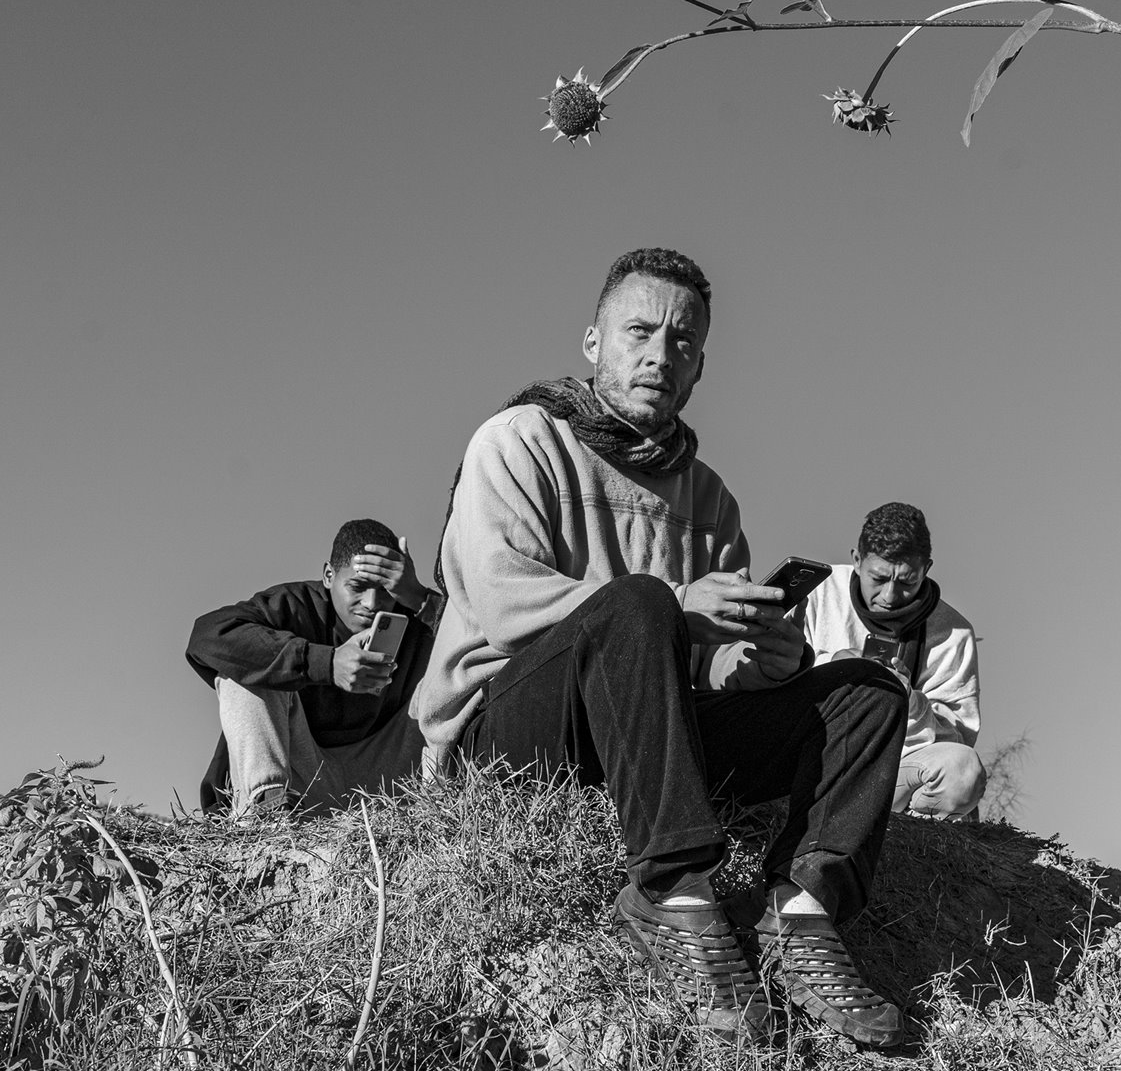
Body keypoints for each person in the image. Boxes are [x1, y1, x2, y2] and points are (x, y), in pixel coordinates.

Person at [414, 248, 907, 1048]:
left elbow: (698, 666)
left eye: (683, 342)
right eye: (639, 330)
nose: (659, 354)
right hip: (513, 730)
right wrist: (677, 605)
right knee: (638, 601)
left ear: (701, 366)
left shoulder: (709, 496)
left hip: (648, 734)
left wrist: (753, 664)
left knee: (866, 690)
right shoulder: (517, 440)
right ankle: (675, 897)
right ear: (593, 341)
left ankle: (801, 912)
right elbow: (502, 602)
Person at [186, 519, 441, 816]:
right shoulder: (295, 606)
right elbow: (207, 634)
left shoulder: (413, 615)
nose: (372, 603)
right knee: (245, 666)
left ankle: (445, 807)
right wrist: (326, 663)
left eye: (385, 590)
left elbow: (486, 639)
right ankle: (268, 814)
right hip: (302, 783)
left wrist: (419, 598)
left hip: (389, 785)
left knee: (456, 671)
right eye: (358, 587)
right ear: (329, 575)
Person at [797, 502, 986, 821]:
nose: (889, 596)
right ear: (856, 560)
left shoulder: (953, 633)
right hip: (804, 756)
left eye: (906, 582)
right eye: (879, 578)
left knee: (962, 772)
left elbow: (958, 738)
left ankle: (902, 826)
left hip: (889, 775)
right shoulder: (816, 591)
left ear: (926, 568)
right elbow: (763, 671)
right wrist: (831, 667)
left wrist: (909, 702)